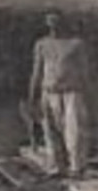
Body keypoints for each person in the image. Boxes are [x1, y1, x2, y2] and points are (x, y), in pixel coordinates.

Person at [28, 11, 91, 180]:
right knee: (50, 131)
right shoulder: (41, 44)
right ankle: (56, 167)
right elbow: (37, 71)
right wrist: (32, 96)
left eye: (56, 21)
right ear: (47, 23)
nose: (53, 25)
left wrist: (86, 94)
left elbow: (84, 71)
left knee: (74, 131)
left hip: (72, 93)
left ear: (63, 22)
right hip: (48, 92)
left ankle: (77, 167)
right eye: (50, 21)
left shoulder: (76, 44)